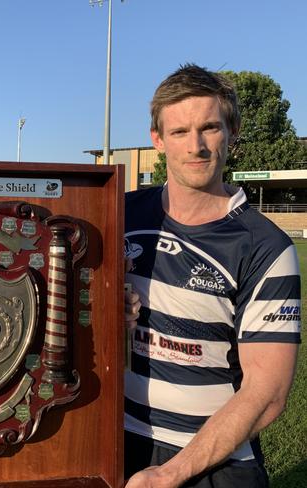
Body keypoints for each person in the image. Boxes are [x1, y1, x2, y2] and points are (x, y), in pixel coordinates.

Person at [123, 64, 301, 488]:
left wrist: (172, 473)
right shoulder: (122, 214)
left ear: (232, 131)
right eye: (180, 132)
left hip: (214, 460)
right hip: (120, 436)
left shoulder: (267, 247)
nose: (196, 146)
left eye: (209, 128)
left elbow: (267, 393)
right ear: (157, 140)